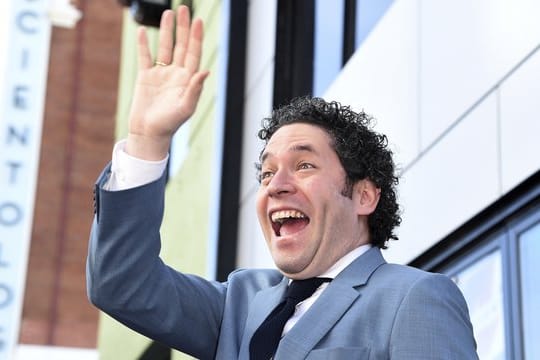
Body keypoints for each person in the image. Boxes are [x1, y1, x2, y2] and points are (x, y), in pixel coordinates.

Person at [87, 6, 478, 360]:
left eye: (304, 165)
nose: (276, 185)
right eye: (267, 173)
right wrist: (146, 139)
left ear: (363, 195)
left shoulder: (415, 298)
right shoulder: (238, 304)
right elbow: (120, 283)